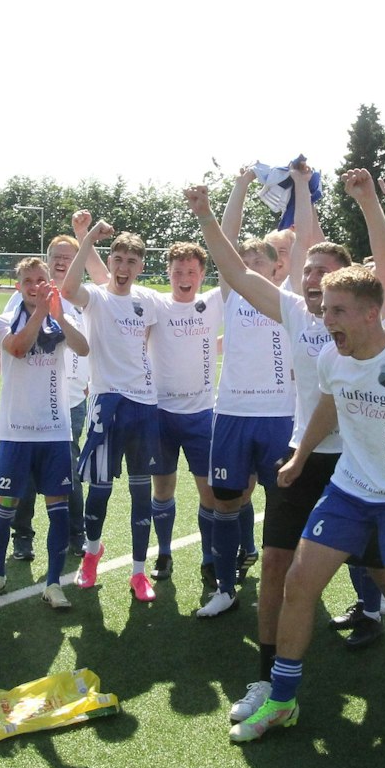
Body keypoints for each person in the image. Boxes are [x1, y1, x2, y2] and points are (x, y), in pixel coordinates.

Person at [226, 252, 385, 764]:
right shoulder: (332, 358)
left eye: (338, 311)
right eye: (325, 310)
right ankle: (282, 701)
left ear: (370, 313)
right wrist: (300, 456)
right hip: (349, 491)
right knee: (298, 585)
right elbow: (329, 404)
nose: (327, 319)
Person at [192, 174, 294, 620]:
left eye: (257, 260)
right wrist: (240, 186)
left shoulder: (290, 299)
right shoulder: (232, 294)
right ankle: (226, 588)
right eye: (242, 260)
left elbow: (304, 244)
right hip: (232, 412)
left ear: (276, 268)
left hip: (279, 416)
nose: (247, 264)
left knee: (283, 502)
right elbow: (225, 239)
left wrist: (302, 189)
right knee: (226, 500)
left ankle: (285, 585)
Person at [60, 216, 164, 601]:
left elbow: (147, 341)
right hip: (106, 403)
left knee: (141, 493)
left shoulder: (148, 300)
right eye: (117, 259)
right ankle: (92, 554)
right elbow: (68, 289)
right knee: (100, 490)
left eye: (131, 261)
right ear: (110, 261)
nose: (123, 267)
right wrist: (87, 236)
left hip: (144, 405)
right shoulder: (96, 296)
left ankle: (139, 573)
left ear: (140, 266)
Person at [0, 256, 87, 610]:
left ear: (49, 284)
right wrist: (42, 312)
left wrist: (58, 316)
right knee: (5, 506)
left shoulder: (60, 318)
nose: (34, 286)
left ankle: (53, 583)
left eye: (40, 280)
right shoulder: (5, 321)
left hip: (54, 431)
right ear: (18, 287)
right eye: (27, 281)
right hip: (15, 431)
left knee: (57, 509)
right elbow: (18, 348)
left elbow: (83, 348)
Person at [145, 240, 225, 592]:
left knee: (209, 493)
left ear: (203, 274)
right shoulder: (155, 303)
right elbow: (110, 283)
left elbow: (235, 267)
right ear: (168, 273)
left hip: (201, 416)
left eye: (191, 271)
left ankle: (209, 558)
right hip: (161, 413)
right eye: (178, 271)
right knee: (162, 488)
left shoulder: (213, 303)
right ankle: (163, 553)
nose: (184, 278)